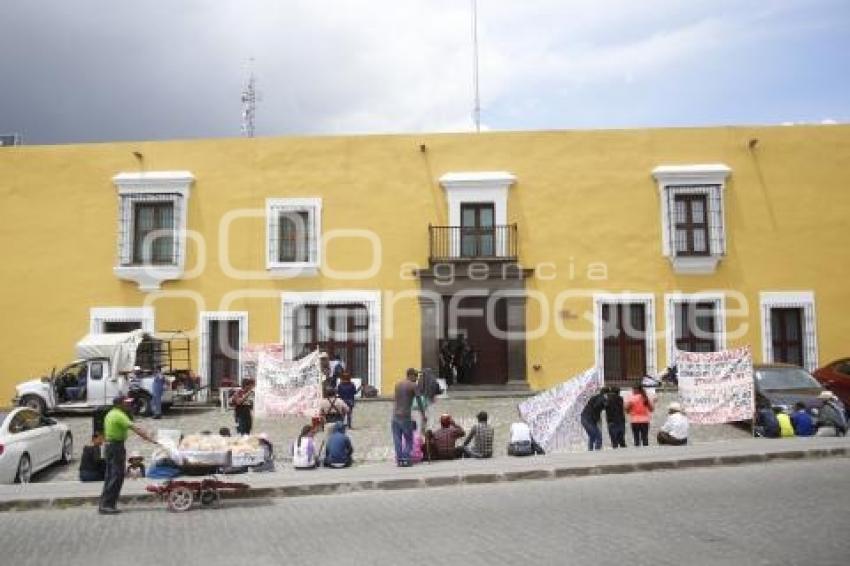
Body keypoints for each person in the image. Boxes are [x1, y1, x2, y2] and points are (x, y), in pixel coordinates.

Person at [99, 396, 158, 514]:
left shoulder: (111, 413)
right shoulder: (119, 415)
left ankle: (104, 504)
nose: (129, 405)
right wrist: (150, 439)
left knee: (110, 476)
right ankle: (107, 505)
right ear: (119, 404)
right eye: (126, 403)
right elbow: (135, 428)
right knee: (116, 476)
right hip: (116, 447)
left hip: (110, 446)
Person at [392, 368, 427, 467]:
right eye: (415, 376)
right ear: (410, 375)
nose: (416, 378)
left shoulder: (397, 384)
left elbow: (395, 399)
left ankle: (399, 459)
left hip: (395, 415)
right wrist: (423, 414)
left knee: (397, 439)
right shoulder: (413, 385)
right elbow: (419, 401)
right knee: (409, 439)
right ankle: (406, 458)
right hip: (405, 416)